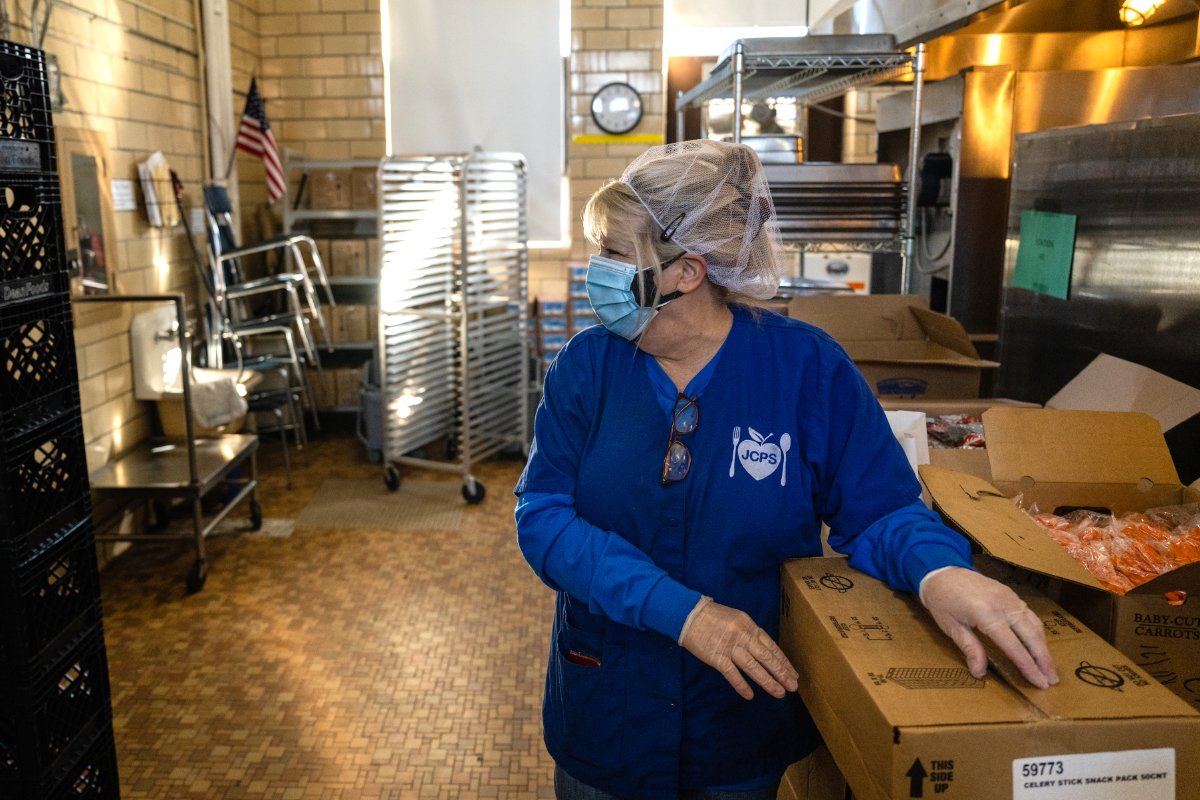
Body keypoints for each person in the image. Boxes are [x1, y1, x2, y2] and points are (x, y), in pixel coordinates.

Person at [514, 139, 1058, 800]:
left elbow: (881, 509)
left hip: (738, 725)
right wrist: (684, 615)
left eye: (612, 254)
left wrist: (940, 573)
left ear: (686, 271)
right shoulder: (587, 367)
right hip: (608, 712)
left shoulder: (804, 370)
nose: (593, 270)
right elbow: (543, 518)